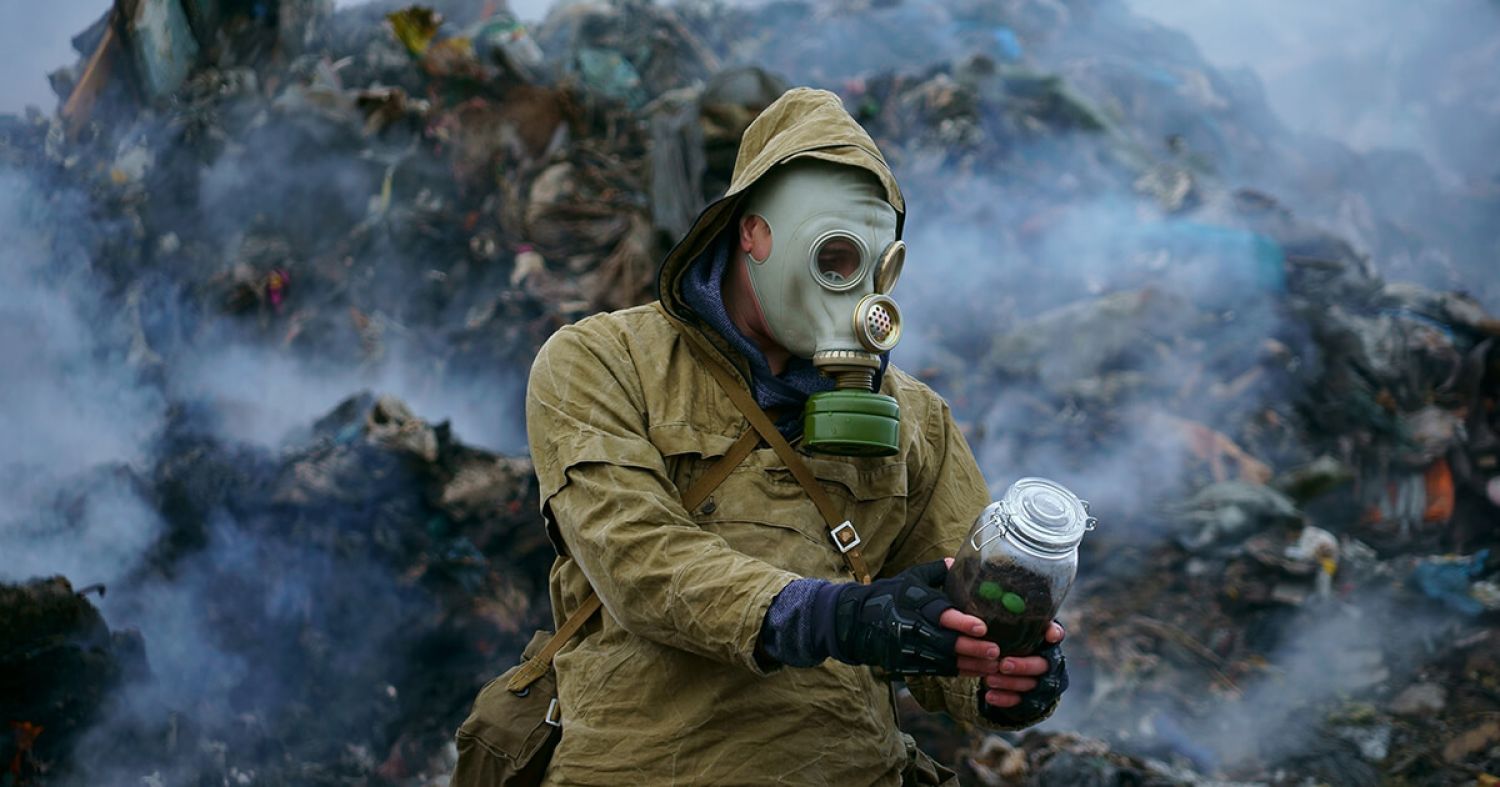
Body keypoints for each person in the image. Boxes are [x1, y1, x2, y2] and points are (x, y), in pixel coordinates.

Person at [509, 88, 1067, 784]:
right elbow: (638, 560)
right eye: (831, 258)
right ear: (752, 232)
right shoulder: (603, 361)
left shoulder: (917, 420)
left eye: (872, 269)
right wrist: (830, 614)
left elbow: (949, 613)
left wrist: (999, 675)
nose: (852, 291)